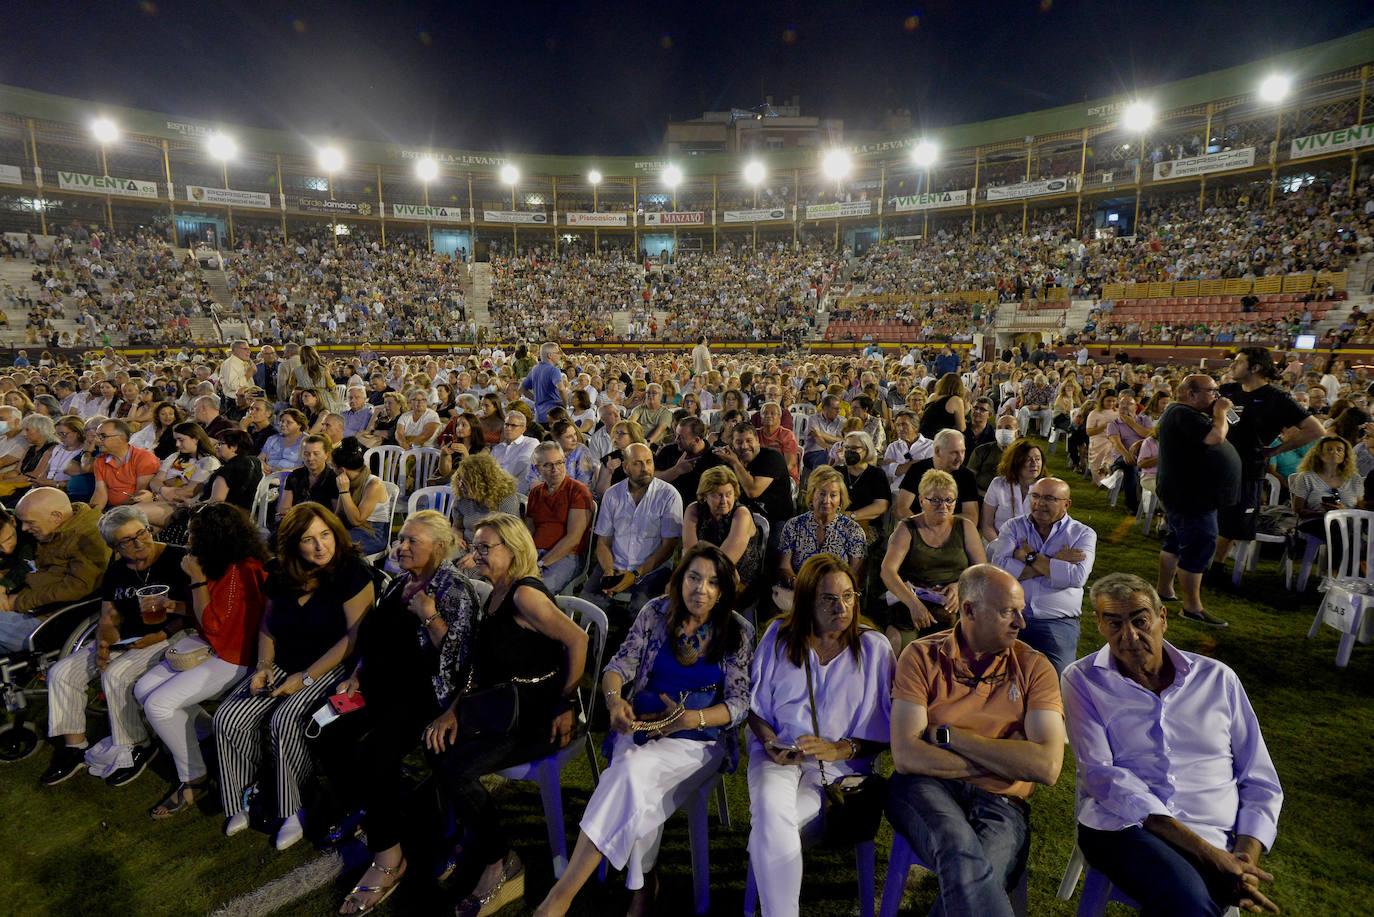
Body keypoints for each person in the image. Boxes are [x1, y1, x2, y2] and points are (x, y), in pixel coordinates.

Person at [535, 544, 753, 917]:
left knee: (630, 775)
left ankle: (564, 897)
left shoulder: (736, 631)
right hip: (642, 726)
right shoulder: (655, 613)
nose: (701, 589)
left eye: (712, 582)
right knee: (635, 781)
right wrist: (615, 701)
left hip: (697, 741)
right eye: (694, 577)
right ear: (680, 578)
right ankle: (641, 884)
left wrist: (691, 720)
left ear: (722, 591)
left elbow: (739, 704)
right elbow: (618, 666)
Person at [1063, 573, 1283, 916]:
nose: (1130, 635)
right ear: (1099, 625)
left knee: (1191, 898)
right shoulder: (1082, 679)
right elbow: (1102, 776)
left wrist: (1243, 862)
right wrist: (1209, 856)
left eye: (1140, 620)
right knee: (1190, 903)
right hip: (1125, 828)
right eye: (1115, 623)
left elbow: (1259, 780)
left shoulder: (1217, 679)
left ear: (1162, 618)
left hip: (1215, 834)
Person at [312, 511, 481, 915]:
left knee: (375, 755)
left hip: (420, 698)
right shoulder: (398, 583)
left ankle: (390, 858)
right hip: (372, 688)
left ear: (440, 547)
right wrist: (355, 674)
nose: (401, 547)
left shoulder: (454, 591)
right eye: (401, 539)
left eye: (412, 542)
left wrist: (430, 615)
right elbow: (374, 640)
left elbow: (460, 665)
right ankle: (366, 805)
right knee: (322, 727)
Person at [426, 513, 588, 917]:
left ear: (513, 550)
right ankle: (475, 834)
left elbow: (578, 639)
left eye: (485, 547)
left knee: (455, 770)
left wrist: (567, 703)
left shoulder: (523, 595)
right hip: (503, 706)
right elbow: (480, 668)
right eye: (475, 546)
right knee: (433, 741)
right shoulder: (494, 592)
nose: (476, 554)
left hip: (535, 715)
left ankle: (501, 863)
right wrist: (452, 710)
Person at [885, 564, 1065, 917]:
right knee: (960, 848)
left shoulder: (1035, 667)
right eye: (1007, 612)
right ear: (969, 610)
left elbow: (1047, 766)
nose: (1021, 623)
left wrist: (954, 738)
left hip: (1001, 803)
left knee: (977, 864)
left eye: (1021, 611)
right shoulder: (921, 656)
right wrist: (1007, 756)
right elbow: (906, 756)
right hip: (925, 787)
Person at [214, 503, 375, 850]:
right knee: (228, 717)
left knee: (285, 720)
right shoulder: (282, 572)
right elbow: (268, 626)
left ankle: (295, 807)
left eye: (326, 535)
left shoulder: (353, 572)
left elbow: (353, 639)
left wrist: (304, 677)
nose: (321, 546)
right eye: (309, 539)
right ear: (293, 545)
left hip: (332, 666)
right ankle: (244, 795)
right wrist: (264, 665)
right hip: (284, 661)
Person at [746, 553, 894, 917]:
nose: (841, 607)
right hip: (776, 756)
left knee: (770, 824)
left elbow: (888, 731)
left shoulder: (874, 649)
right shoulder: (779, 636)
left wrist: (837, 748)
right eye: (829, 598)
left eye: (848, 596)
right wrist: (770, 744)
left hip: (836, 769)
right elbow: (755, 709)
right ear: (807, 600)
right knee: (770, 808)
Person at [40, 506, 192, 787]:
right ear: (114, 547)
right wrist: (103, 643)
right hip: (128, 639)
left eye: (142, 533)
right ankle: (75, 745)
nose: (139, 543)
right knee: (61, 672)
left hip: (172, 635)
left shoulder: (178, 558)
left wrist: (162, 632)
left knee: (116, 674)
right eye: (127, 541)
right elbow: (108, 615)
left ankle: (137, 744)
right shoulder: (117, 570)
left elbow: (196, 611)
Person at [136, 503, 270, 818]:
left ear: (213, 537)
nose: (187, 537)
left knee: (159, 705)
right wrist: (176, 605)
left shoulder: (240, 570)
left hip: (236, 656)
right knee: (143, 691)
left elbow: (215, 624)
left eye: (193, 533)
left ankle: (193, 777)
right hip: (214, 645)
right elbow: (210, 616)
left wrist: (195, 579)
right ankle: (206, 735)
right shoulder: (219, 562)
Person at [1211, 347, 1324, 579]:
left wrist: (1276, 450)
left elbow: (1315, 429)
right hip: (1217, 465)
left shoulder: (1277, 398)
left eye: (1238, 361)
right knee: (1208, 515)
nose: (1232, 365)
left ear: (1255, 367)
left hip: (1247, 469)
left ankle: (1216, 568)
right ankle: (1199, 560)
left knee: (1232, 521)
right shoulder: (1228, 391)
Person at [1156, 375, 1240, 628]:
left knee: (1175, 540)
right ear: (1191, 394)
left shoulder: (1181, 412)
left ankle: (1164, 590)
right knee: (1199, 545)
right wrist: (1222, 412)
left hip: (1186, 491)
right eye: (1212, 391)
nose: (1217, 395)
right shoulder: (1183, 413)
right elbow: (1215, 437)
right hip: (1191, 494)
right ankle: (1192, 607)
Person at [990, 477, 1096, 675]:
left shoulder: (1083, 533)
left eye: (1049, 498)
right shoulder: (1013, 527)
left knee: (1057, 682)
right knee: (992, 676)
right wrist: (1055, 560)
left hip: (1056, 622)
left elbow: (1076, 577)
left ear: (1067, 504)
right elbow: (1000, 570)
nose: (1039, 503)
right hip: (1009, 616)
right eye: (1035, 496)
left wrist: (1028, 556)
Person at [881, 470, 987, 656]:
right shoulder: (907, 528)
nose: (943, 506)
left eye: (949, 500)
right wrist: (913, 603)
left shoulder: (965, 527)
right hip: (910, 597)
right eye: (935, 500)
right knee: (896, 644)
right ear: (922, 501)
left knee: (961, 649)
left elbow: (981, 571)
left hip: (953, 601)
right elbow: (887, 571)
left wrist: (959, 586)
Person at [0, 487, 111, 651]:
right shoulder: (51, 529)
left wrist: (16, 602)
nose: (23, 529)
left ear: (56, 516)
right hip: (30, 609)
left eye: (30, 522)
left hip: (49, 622)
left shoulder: (89, 537)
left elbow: (76, 588)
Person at [582, 442, 683, 622]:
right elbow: (603, 542)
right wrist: (608, 570)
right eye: (637, 463)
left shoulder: (669, 495)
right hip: (615, 563)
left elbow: (669, 547)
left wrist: (635, 575)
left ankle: (626, 639)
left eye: (649, 462)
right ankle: (606, 639)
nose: (645, 468)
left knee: (640, 612)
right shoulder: (613, 494)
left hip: (653, 570)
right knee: (588, 603)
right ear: (626, 467)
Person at [776, 466, 867, 596]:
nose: (826, 500)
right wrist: (797, 584)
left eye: (833, 495)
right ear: (812, 495)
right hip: (800, 592)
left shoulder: (853, 531)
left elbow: (856, 575)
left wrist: (831, 594)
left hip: (838, 596)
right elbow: (784, 567)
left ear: (841, 499)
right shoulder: (794, 525)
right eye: (822, 494)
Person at [683, 465, 764, 605]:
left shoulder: (741, 515)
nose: (724, 501)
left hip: (739, 582)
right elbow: (690, 551)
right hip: (703, 574)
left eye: (729, 494)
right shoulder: (694, 510)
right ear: (705, 495)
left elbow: (724, 562)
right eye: (717, 495)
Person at [524, 441, 594, 593]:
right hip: (535, 552)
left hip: (566, 556)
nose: (555, 469)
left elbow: (573, 538)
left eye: (559, 463)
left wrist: (541, 564)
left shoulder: (578, 491)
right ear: (537, 469)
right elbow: (528, 531)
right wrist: (525, 559)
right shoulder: (536, 493)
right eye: (548, 465)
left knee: (536, 591)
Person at [1290, 435, 1364, 564]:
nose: (1334, 452)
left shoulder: (1355, 479)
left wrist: (1344, 511)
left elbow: (1360, 508)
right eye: (1329, 449)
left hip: (1349, 522)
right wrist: (1325, 514)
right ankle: (1339, 573)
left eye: (1339, 450)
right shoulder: (1306, 477)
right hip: (1315, 522)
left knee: (1346, 526)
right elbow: (1298, 509)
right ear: (1319, 454)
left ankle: (1336, 574)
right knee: (1340, 527)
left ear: (1345, 455)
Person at [134, 422, 220, 528]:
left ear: (196, 439)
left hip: (184, 506)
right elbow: (155, 481)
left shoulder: (207, 462)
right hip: (165, 500)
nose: (177, 445)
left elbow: (189, 492)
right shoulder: (175, 456)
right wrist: (163, 490)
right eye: (176, 440)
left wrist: (155, 497)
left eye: (181, 440)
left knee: (134, 513)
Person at [716, 421, 794, 531]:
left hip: (776, 520)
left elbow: (753, 491)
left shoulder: (772, 457)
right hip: (741, 516)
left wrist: (735, 463)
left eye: (749, 441)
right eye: (739, 442)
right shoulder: (731, 460)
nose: (744, 446)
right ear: (732, 444)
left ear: (757, 440)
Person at [452, 453, 521, 564]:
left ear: (482, 483)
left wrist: (477, 555)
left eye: (466, 482)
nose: (460, 485)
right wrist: (457, 537)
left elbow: (508, 539)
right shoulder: (462, 498)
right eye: (459, 479)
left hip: (493, 551)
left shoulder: (505, 500)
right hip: (465, 549)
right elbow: (457, 527)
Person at [895, 428, 978, 521]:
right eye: (954, 453)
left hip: (952, 532)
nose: (960, 458)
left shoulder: (967, 476)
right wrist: (922, 529)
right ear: (937, 451)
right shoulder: (917, 469)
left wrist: (941, 529)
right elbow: (901, 509)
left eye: (963, 452)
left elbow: (971, 517)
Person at [330, 436, 392, 554]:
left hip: (373, 533)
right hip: (351, 529)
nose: (332, 470)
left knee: (331, 546)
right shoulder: (348, 481)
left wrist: (344, 492)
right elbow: (339, 514)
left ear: (342, 470)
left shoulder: (374, 484)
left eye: (333, 466)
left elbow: (356, 521)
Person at [980, 438, 1044, 545]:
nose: (1034, 464)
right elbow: (987, 525)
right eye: (1028, 459)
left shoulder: (1048, 488)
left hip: (1033, 548)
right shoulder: (998, 484)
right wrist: (1002, 547)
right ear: (1016, 462)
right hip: (997, 544)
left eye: (1037, 459)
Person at [90, 418, 160, 512]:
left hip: (136, 510)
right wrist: (91, 514)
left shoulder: (144, 457)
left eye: (103, 436)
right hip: (111, 509)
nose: (97, 441)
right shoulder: (100, 461)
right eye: (97, 436)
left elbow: (140, 495)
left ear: (121, 438)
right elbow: (100, 493)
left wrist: (113, 512)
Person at [1101, 390, 1152, 513]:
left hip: (1144, 455)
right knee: (1131, 466)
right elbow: (1116, 443)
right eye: (1122, 403)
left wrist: (1131, 423)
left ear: (1136, 407)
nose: (1125, 406)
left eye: (1129, 404)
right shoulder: (1114, 424)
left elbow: (1150, 436)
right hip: (1121, 457)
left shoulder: (1144, 420)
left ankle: (1158, 506)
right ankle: (1132, 505)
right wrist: (1127, 454)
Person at [654, 416, 725, 503]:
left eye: (681, 437)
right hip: (666, 503)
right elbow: (653, 480)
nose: (676, 440)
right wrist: (676, 470)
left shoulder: (715, 458)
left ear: (696, 440)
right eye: (676, 435)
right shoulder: (668, 451)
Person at [277, 434, 339, 521]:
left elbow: (336, 515)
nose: (310, 458)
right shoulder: (294, 476)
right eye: (306, 454)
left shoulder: (334, 479)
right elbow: (284, 510)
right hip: (296, 522)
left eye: (316, 454)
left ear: (326, 455)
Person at [200, 429, 264, 512]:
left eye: (220, 444)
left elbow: (216, 502)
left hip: (226, 517)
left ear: (234, 447)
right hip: (246, 515)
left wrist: (192, 505)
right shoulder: (256, 462)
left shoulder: (226, 470)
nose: (216, 447)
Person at [882, 410, 934, 493]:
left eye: (904, 424)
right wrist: (919, 464)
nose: (900, 429)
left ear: (915, 427)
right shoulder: (893, 447)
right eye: (897, 425)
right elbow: (886, 471)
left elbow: (930, 472)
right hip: (897, 491)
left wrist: (898, 467)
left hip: (923, 492)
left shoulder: (930, 446)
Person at [491, 411, 539, 494]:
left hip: (517, 494)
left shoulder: (531, 443)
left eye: (513, 425)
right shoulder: (497, 448)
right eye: (506, 424)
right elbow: (489, 470)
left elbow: (520, 465)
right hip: (495, 492)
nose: (508, 428)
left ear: (523, 429)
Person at [520, 341, 567, 424]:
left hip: (539, 416)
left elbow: (522, 388)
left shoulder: (535, 369)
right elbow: (561, 388)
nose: (560, 355)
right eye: (558, 353)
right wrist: (564, 404)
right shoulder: (554, 370)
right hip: (554, 416)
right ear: (550, 355)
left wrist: (536, 399)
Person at [755, 402, 800, 482]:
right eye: (765, 413)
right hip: (760, 476)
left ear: (779, 417)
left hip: (784, 477)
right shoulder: (755, 434)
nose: (768, 416)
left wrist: (769, 477)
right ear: (761, 418)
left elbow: (789, 465)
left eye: (773, 413)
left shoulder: (787, 435)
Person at [802, 395, 845, 471]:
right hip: (813, 453)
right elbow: (816, 437)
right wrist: (829, 449)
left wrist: (821, 434)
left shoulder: (842, 421)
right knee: (825, 458)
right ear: (825, 408)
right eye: (835, 408)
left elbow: (842, 440)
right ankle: (821, 479)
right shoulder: (813, 419)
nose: (838, 411)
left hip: (835, 455)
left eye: (839, 408)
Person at [920, 373, 967, 438]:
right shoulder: (956, 400)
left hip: (922, 437)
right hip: (937, 438)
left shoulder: (932, 396)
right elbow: (961, 428)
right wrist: (966, 410)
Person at [260, 408, 307, 474]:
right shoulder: (273, 439)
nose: (283, 424)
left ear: (299, 425)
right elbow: (260, 458)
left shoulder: (307, 441)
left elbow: (308, 465)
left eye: (289, 422)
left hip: (293, 476)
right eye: (282, 421)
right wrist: (264, 466)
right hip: (268, 473)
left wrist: (285, 471)